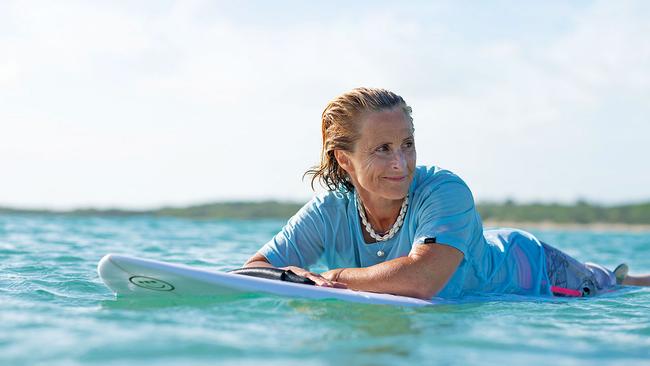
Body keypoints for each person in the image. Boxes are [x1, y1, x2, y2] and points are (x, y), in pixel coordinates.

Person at [244, 87, 650, 300]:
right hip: (487, 255)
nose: (400, 163)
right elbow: (256, 268)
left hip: (534, 274)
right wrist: (295, 276)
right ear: (344, 160)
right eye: (382, 150)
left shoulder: (444, 191)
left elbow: (422, 279)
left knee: (610, 285)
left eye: (407, 144)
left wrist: (330, 277)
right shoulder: (328, 212)